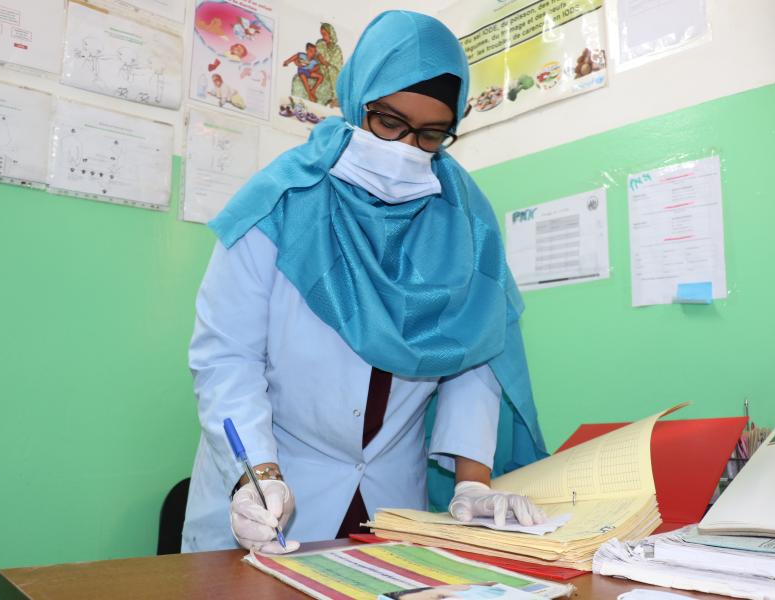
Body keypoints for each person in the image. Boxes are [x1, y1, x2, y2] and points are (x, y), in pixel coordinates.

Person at [182, 10, 547, 554]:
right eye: (388, 122)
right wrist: (256, 474)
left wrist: (473, 480)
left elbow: (475, 353)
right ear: (356, 101)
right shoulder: (279, 203)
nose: (403, 147)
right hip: (276, 488)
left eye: (429, 134)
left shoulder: (465, 221)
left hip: (392, 502)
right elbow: (228, 358)